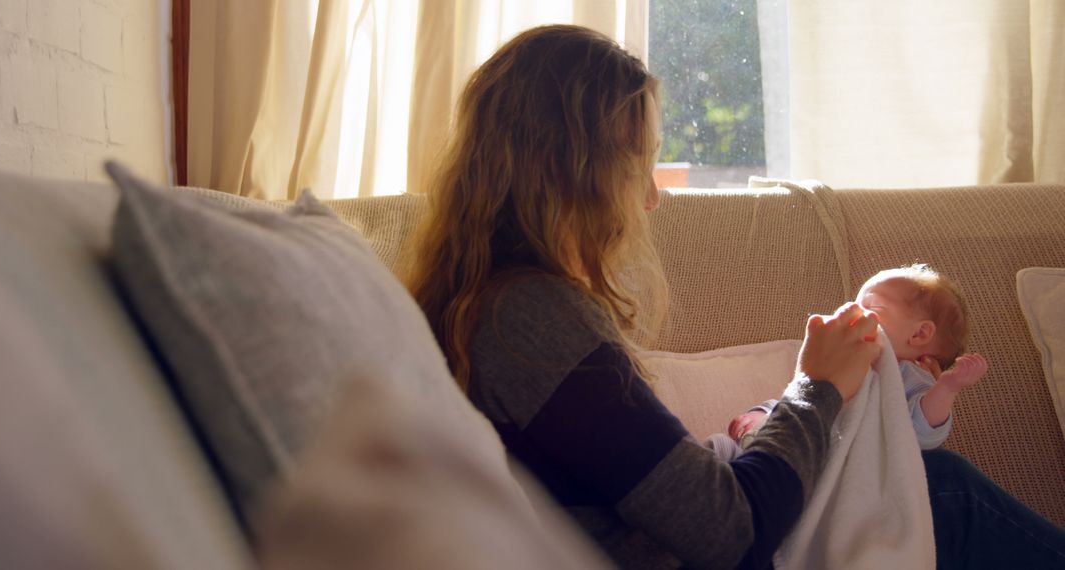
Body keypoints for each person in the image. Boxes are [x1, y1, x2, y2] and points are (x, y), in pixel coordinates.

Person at [401, 24, 1065, 570]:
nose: (652, 197)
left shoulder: (490, 307)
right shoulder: (531, 320)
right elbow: (729, 531)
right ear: (572, 172)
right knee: (936, 490)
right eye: (638, 166)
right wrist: (817, 386)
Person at [716, 264, 987, 458]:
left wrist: (946, 389)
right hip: (806, 440)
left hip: (845, 462)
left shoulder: (911, 376)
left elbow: (920, 433)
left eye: (871, 308)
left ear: (919, 334)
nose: (851, 311)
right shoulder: (848, 358)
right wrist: (762, 412)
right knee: (721, 447)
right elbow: (803, 396)